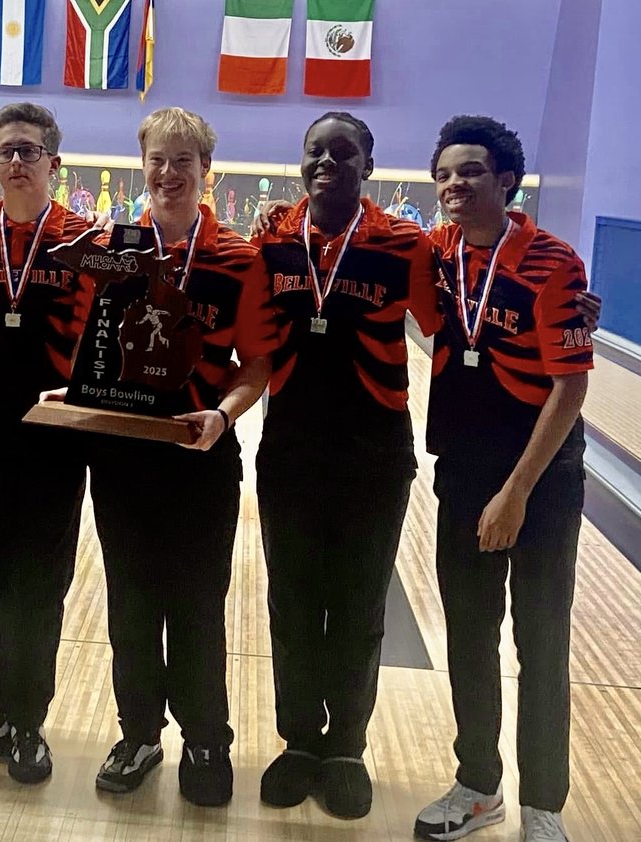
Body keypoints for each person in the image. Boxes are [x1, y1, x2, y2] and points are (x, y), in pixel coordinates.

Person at [251, 112, 442, 819]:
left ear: (368, 163)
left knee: (359, 606)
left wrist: (572, 313)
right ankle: (300, 740)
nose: (327, 161)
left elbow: (451, 319)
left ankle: (347, 747)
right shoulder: (272, 238)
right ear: (300, 162)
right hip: (292, 447)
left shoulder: (403, 244)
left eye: (344, 151)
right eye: (315, 151)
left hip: (373, 451)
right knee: (294, 601)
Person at [86, 107, 276, 807]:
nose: (169, 174)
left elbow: (255, 362)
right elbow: (88, 349)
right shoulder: (111, 246)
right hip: (123, 458)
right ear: (144, 167)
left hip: (200, 457)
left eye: (183, 162)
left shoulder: (237, 257)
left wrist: (223, 415)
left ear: (206, 172)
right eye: (158, 161)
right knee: (130, 604)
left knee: (198, 604)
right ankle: (138, 733)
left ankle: (205, 737)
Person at [414, 116, 592, 842]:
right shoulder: (436, 252)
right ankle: (477, 785)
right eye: (445, 174)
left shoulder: (556, 263)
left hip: (541, 479)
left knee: (541, 642)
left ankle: (544, 805)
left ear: (507, 181)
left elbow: (571, 388)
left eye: (471, 172)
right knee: (468, 636)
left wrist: (516, 492)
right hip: (463, 467)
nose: (455, 185)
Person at [0, 102, 95, 784]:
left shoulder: (86, 241)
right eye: (6, 150)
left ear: (53, 164)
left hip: (58, 431)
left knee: (44, 577)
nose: (17, 161)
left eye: (30, 151)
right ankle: (5, 702)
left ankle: (30, 718)